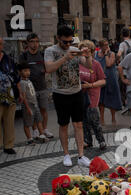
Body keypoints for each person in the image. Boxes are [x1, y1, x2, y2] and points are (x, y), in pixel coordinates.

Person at [44, 25, 93, 167]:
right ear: (58, 38)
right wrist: (65, 57)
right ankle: (66, 155)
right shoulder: (50, 51)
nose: (67, 44)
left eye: (70, 42)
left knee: (78, 124)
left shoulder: (74, 49)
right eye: (65, 42)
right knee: (64, 125)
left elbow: (88, 67)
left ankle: (81, 156)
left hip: (76, 92)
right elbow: (49, 68)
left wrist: (88, 55)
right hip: (60, 94)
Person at [18, 33, 54, 140]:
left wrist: (45, 71)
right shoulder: (23, 56)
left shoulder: (42, 54)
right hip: (29, 88)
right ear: (28, 43)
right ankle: (35, 130)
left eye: (37, 41)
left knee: (44, 109)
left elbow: (48, 67)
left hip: (42, 86)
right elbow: (20, 71)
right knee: (33, 110)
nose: (35, 44)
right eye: (32, 41)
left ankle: (45, 129)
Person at [78, 40, 107, 149]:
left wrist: (91, 85)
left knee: (93, 118)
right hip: (80, 94)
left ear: (91, 51)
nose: (85, 52)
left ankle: (101, 140)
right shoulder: (78, 63)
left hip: (93, 93)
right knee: (84, 119)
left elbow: (103, 81)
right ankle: (87, 140)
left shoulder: (95, 64)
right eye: (83, 49)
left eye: (87, 50)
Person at [17, 62, 48, 145]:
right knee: (27, 122)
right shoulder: (22, 83)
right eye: (25, 71)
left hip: (35, 104)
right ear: (20, 72)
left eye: (28, 70)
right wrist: (28, 108)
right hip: (28, 105)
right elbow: (23, 96)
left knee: (38, 119)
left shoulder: (28, 80)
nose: (27, 72)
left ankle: (41, 135)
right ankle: (29, 138)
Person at [95, 39, 122, 125]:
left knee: (112, 99)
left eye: (107, 45)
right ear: (100, 46)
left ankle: (113, 118)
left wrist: (106, 54)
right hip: (100, 79)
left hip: (111, 79)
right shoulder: (96, 54)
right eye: (104, 45)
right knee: (101, 100)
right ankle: (102, 119)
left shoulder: (112, 54)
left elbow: (109, 64)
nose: (107, 46)